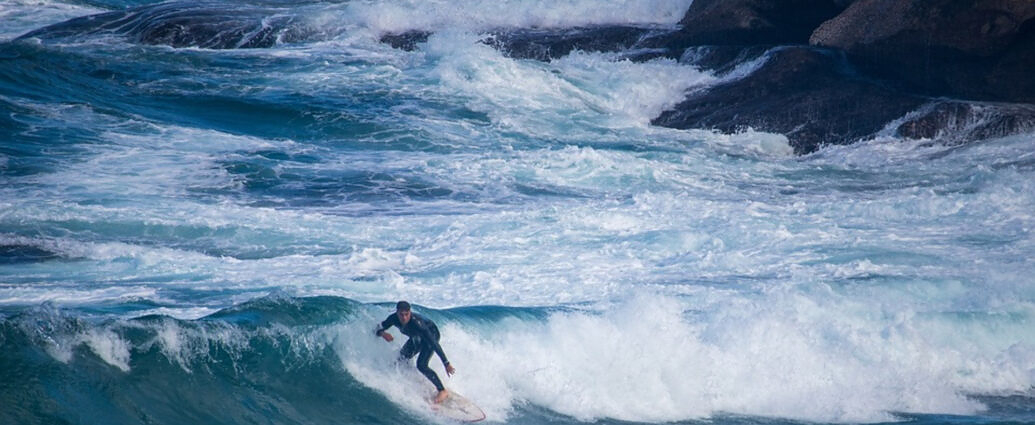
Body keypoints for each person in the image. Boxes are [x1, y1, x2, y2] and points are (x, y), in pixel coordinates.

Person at [375, 300, 456, 403]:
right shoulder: (393, 319)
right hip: (416, 337)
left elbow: (434, 344)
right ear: (397, 313)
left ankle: (442, 390)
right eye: (401, 314)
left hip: (432, 335)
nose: (404, 318)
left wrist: (446, 363)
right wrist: (383, 334)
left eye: (406, 314)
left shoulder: (418, 324)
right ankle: (414, 377)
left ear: (410, 313)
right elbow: (377, 329)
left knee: (421, 365)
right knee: (401, 360)